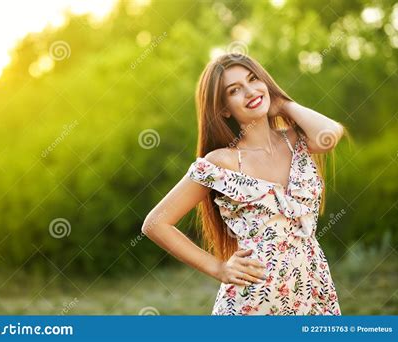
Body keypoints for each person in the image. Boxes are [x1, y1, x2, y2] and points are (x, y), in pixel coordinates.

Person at [142, 53, 346, 315]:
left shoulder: (296, 141)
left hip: (313, 290)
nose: (250, 92)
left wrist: (283, 103)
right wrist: (219, 268)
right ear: (224, 108)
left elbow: (330, 133)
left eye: (253, 80)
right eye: (235, 90)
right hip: (254, 302)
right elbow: (156, 222)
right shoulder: (222, 162)